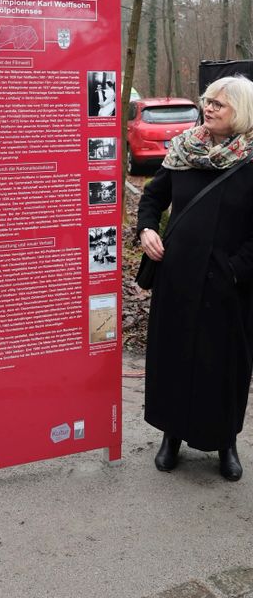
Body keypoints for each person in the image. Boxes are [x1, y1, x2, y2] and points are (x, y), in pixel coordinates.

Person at [137, 75, 253, 483]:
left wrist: (236, 269)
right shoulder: (184, 149)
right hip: (179, 277)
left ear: (240, 111)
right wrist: (147, 229)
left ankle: (226, 443)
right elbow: (153, 197)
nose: (209, 108)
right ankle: (172, 436)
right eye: (207, 101)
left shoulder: (250, 158)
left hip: (231, 285)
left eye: (219, 104)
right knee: (174, 356)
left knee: (224, 364)